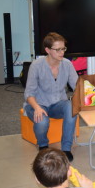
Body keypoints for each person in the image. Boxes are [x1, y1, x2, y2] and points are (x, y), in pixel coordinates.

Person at [24, 32, 78, 162]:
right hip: (38, 104)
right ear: (48, 50)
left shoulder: (67, 64)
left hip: (57, 104)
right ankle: (43, 146)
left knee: (71, 107)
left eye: (63, 48)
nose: (62, 52)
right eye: (58, 49)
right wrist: (36, 107)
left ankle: (66, 148)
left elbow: (77, 86)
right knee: (42, 120)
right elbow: (29, 94)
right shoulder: (36, 65)